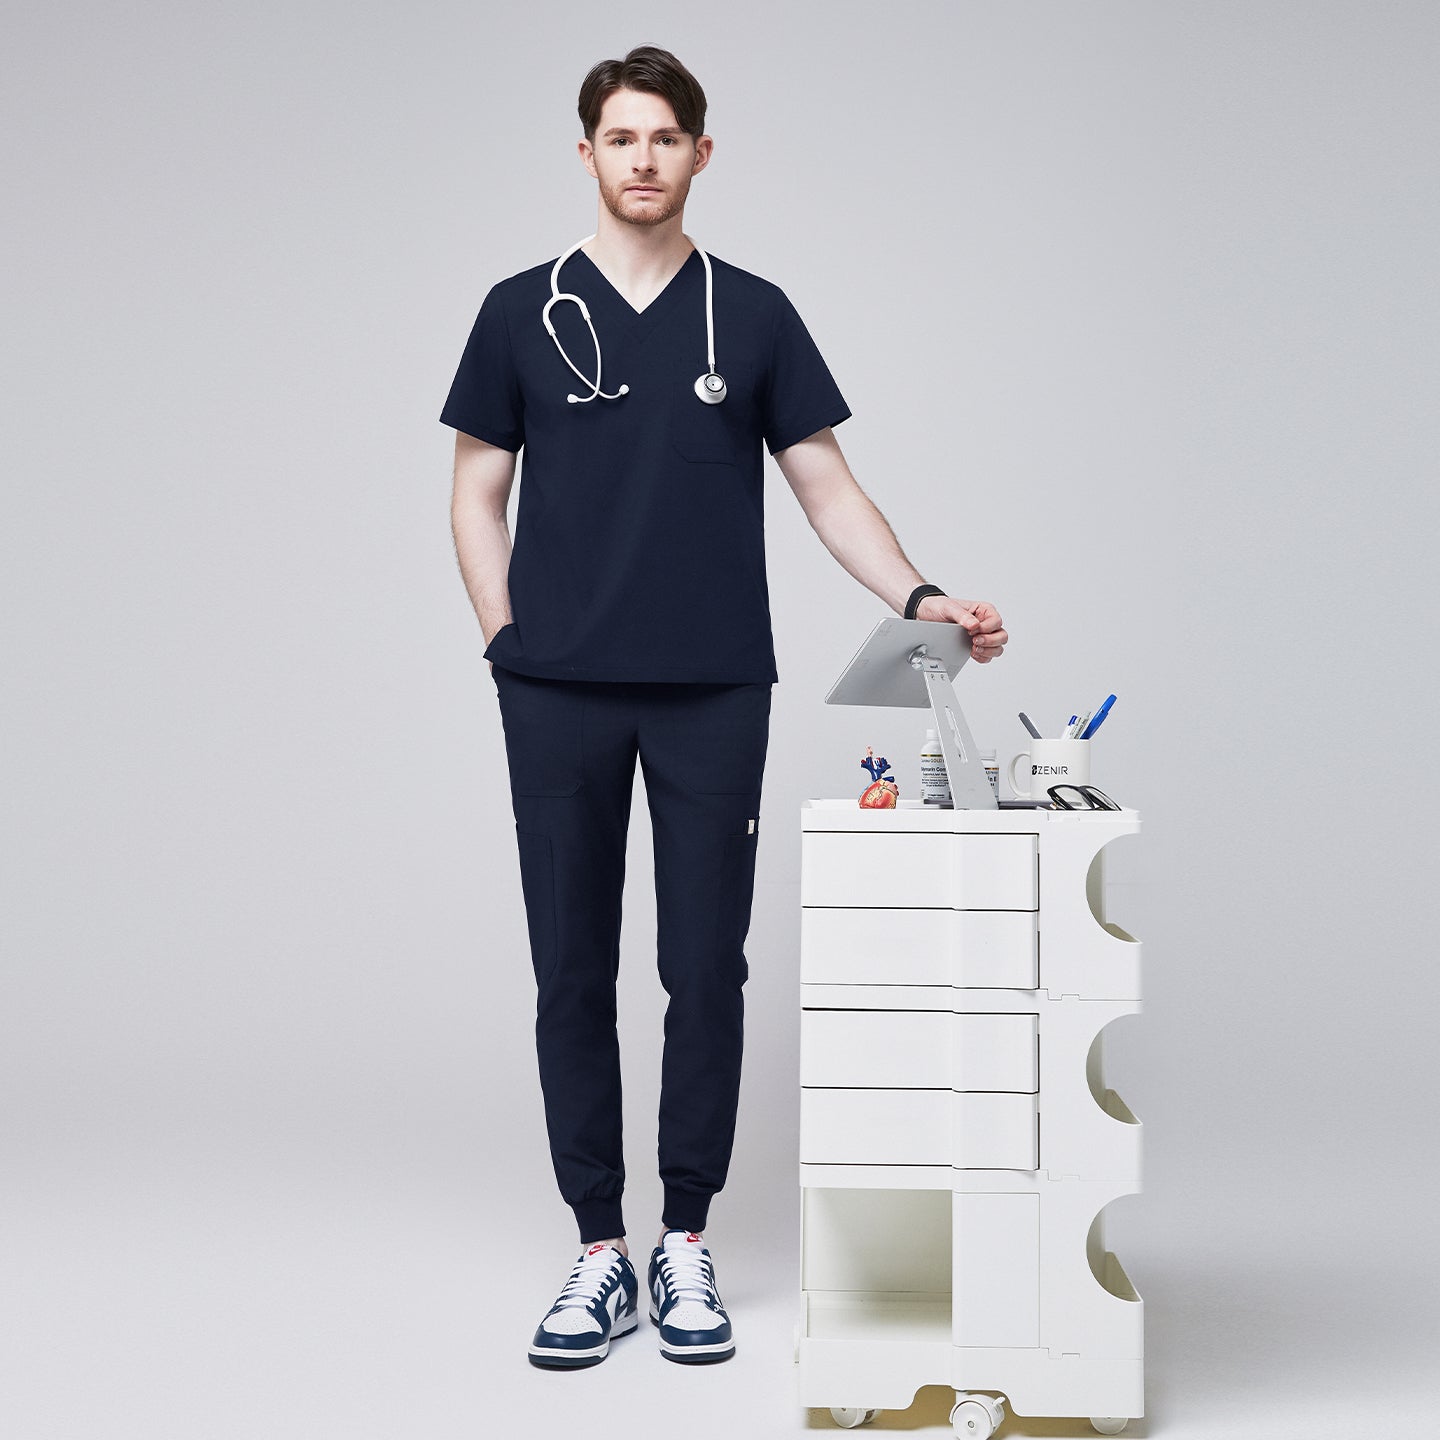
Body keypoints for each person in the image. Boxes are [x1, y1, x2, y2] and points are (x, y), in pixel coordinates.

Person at [441, 44, 1008, 1371]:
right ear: (585, 155)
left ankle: (683, 1239)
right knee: (571, 972)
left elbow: (824, 485)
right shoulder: (520, 311)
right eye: (619, 138)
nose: (643, 159)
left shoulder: (749, 317)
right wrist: (507, 642)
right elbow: (475, 493)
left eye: (665, 138)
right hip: (558, 692)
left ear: (704, 153)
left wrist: (921, 594)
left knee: (707, 970)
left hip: (711, 689)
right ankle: (598, 1247)